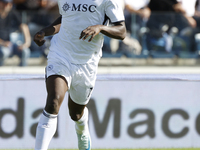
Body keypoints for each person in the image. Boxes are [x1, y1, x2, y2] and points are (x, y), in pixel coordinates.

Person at [33, 0, 126, 150]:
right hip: (61, 54)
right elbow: (66, 18)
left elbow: (122, 31)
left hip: (86, 62)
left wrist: (100, 28)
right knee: (53, 101)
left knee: (75, 114)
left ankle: (82, 127)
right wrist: (46, 31)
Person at [0, 0, 31, 66]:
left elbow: (24, 26)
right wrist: (2, 43)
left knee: (25, 51)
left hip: (11, 44)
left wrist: (26, 43)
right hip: (2, 45)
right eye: (4, 3)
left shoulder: (12, 12)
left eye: (8, 3)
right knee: (3, 52)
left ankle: (22, 73)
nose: (7, 5)